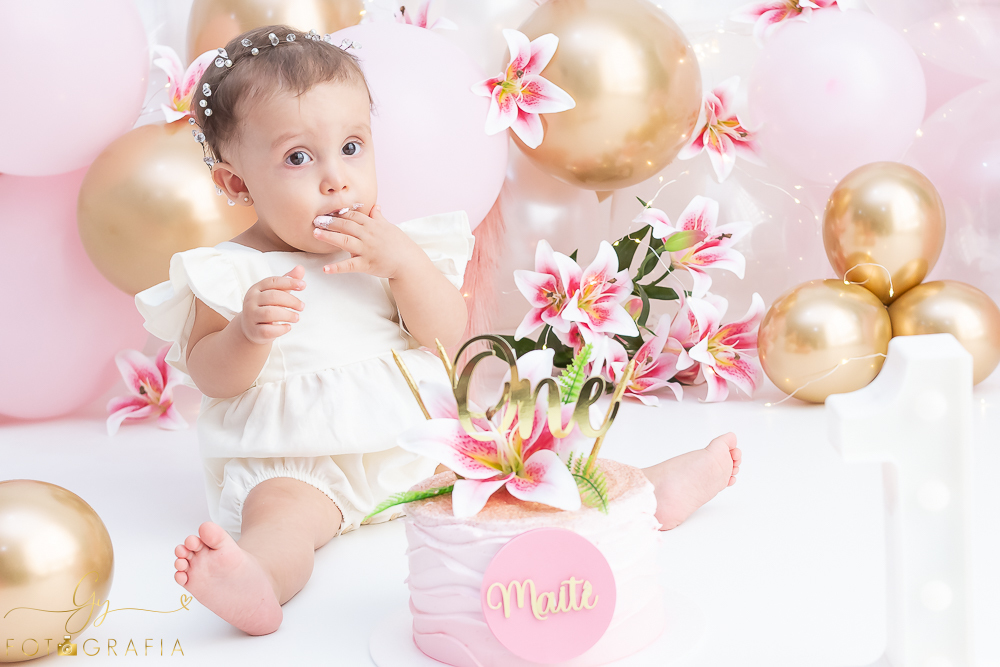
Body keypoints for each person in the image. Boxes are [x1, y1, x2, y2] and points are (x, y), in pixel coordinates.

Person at [135, 24, 742, 637]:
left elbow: (447, 336)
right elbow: (213, 377)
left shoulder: (390, 245)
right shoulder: (228, 272)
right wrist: (246, 332)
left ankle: (644, 496)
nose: (336, 179)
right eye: (298, 158)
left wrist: (402, 265)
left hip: (421, 444)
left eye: (352, 147)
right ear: (237, 182)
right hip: (299, 463)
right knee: (282, 521)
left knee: (524, 467)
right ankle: (259, 580)